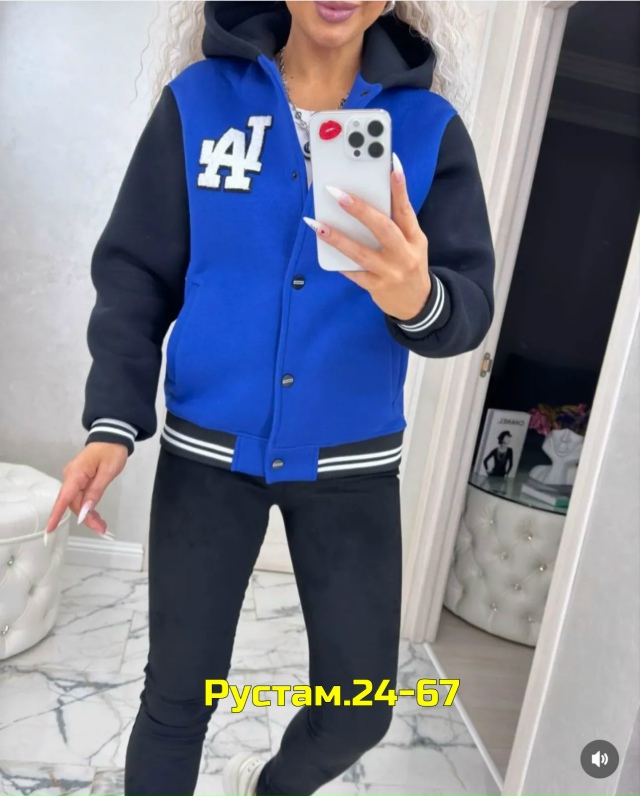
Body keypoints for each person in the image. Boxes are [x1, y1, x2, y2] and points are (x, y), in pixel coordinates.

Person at [45, 2, 495, 795]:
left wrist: (419, 297)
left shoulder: (430, 131)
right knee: (177, 700)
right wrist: (113, 420)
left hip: (353, 465)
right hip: (206, 457)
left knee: (358, 712)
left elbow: (468, 308)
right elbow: (136, 275)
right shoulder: (199, 102)